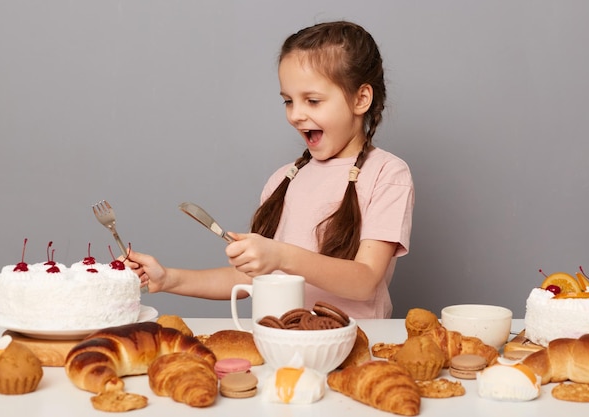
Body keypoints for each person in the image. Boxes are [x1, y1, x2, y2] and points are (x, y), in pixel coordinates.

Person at [127, 21, 414, 319]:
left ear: (360, 99)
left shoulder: (387, 174)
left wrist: (281, 255)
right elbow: (250, 280)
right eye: (288, 101)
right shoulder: (284, 179)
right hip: (279, 344)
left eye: (312, 101)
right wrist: (168, 278)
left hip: (353, 349)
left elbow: (365, 281)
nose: (296, 115)